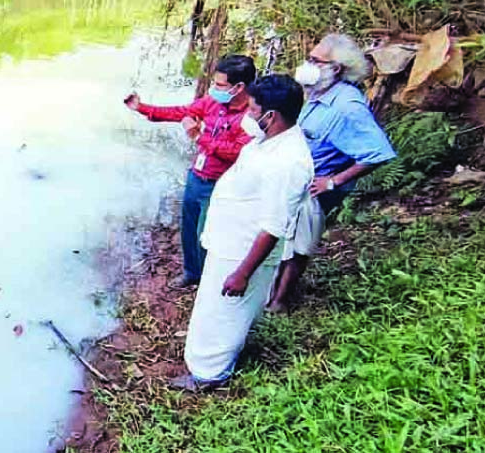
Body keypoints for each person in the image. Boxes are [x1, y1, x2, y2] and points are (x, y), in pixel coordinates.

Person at [169, 74, 316, 391]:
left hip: (242, 253)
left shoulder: (289, 163)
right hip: (228, 242)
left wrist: (243, 273)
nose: (247, 115)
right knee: (213, 308)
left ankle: (210, 376)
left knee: (225, 314)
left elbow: (274, 225)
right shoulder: (270, 141)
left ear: (271, 116)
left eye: (251, 109)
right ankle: (205, 363)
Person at [267, 33, 397, 313]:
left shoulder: (346, 106)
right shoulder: (318, 90)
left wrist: (333, 182)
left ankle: (280, 300)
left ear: (336, 68)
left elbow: (378, 153)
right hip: (295, 179)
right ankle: (271, 288)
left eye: (315, 60)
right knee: (281, 235)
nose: (308, 64)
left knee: (299, 242)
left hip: (315, 187)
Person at [124, 55, 256, 289]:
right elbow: (180, 112)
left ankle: (211, 280)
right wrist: (142, 108)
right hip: (198, 176)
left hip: (221, 183)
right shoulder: (212, 103)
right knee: (189, 226)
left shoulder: (251, 116)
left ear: (239, 87)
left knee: (207, 234)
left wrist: (198, 136)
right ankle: (192, 273)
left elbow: (237, 152)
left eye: (220, 85)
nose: (214, 89)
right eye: (214, 83)